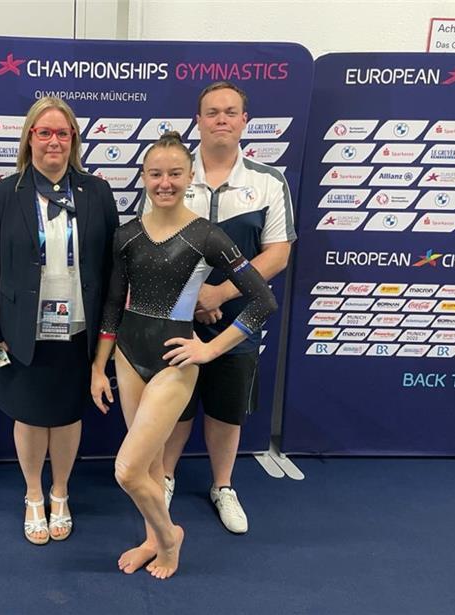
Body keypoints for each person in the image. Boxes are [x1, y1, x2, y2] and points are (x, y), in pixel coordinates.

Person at [91, 132, 276, 579]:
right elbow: (114, 305)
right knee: (151, 465)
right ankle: (153, 538)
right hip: (128, 357)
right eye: (156, 174)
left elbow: (262, 300)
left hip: (175, 361)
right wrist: (99, 365)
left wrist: (210, 348)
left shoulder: (207, 235)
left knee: (128, 469)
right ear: (144, 177)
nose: (165, 182)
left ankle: (169, 539)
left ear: (189, 177)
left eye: (175, 173)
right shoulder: (127, 235)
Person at [0, 97, 118, 545]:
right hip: (23, 331)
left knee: (68, 415)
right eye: (44, 132)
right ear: (29, 139)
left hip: (79, 330)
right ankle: (34, 494)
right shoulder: (4, 193)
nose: (53, 141)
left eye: (62, 133)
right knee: (31, 417)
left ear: (73, 139)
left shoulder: (96, 191)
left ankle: (61, 491)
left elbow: (114, 269)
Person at [159, 81, 296, 534]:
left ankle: (223, 486)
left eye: (230, 112)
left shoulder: (267, 182)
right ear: (197, 121)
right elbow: (154, 241)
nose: (221, 119)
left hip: (239, 319)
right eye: (211, 111)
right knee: (175, 402)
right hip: (178, 315)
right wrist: (192, 299)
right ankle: (163, 478)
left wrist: (219, 295)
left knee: (225, 407)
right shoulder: (172, 173)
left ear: (244, 122)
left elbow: (277, 253)